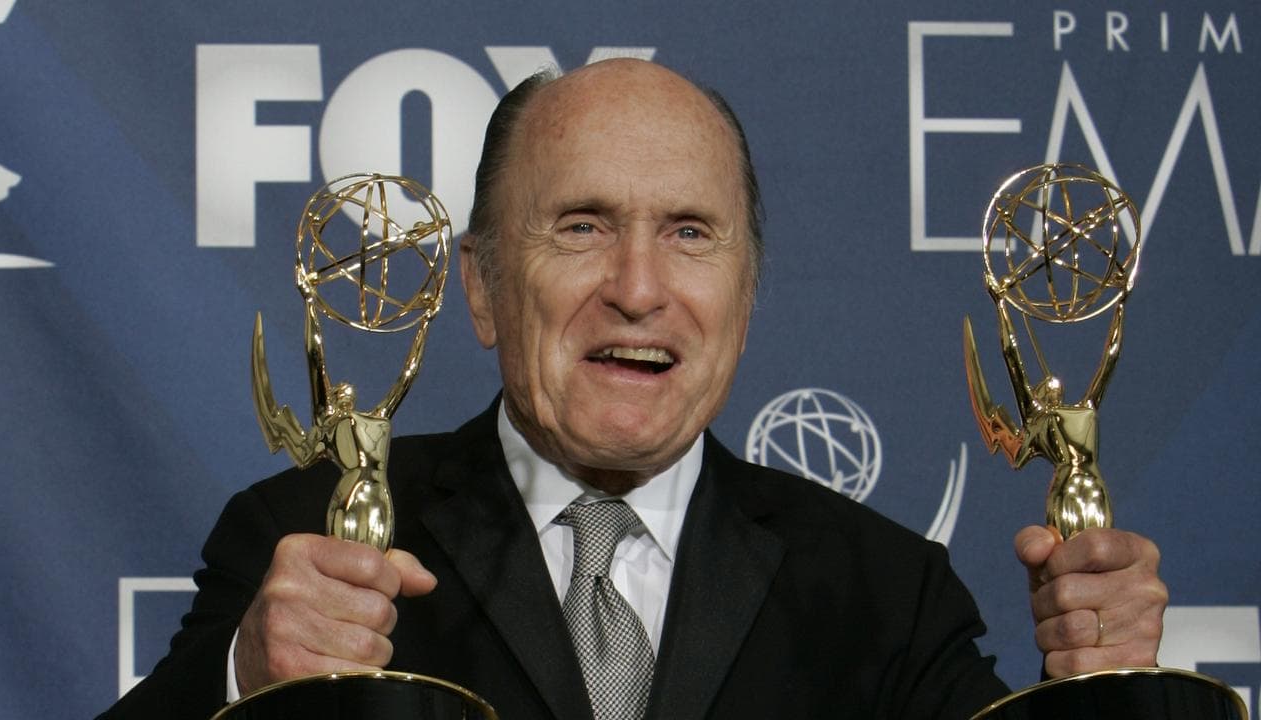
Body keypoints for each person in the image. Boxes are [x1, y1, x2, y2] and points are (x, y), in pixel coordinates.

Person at [100, 58, 1166, 720]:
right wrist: (244, 681)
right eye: (581, 227)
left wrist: (1110, 702)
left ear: (745, 298)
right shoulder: (298, 546)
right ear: (478, 286)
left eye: (689, 235)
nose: (637, 289)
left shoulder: (885, 595)